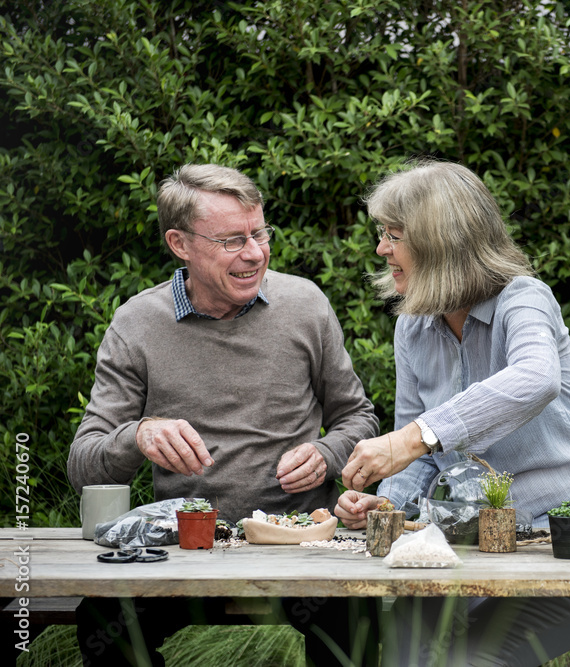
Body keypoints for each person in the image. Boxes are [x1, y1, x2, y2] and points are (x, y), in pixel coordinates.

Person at [68, 163, 380, 666]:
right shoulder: (137, 323)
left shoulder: (305, 305)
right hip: (184, 548)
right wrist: (138, 436)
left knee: (355, 626)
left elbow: (359, 418)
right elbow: (84, 464)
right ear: (180, 243)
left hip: (301, 543)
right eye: (233, 241)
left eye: (259, 233)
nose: (254, 253)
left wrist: (328, 452)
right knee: (102, 624)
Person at [334, 159, 570, 666]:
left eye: (393, 235)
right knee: (404, 651)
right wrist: (387, 508)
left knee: (464, 662)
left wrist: (413, 438)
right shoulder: (413, 327)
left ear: (437, 241)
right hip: (476, 542)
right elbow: (421, 455)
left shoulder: (525, 299)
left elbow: (536, 379)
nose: (382, 248)